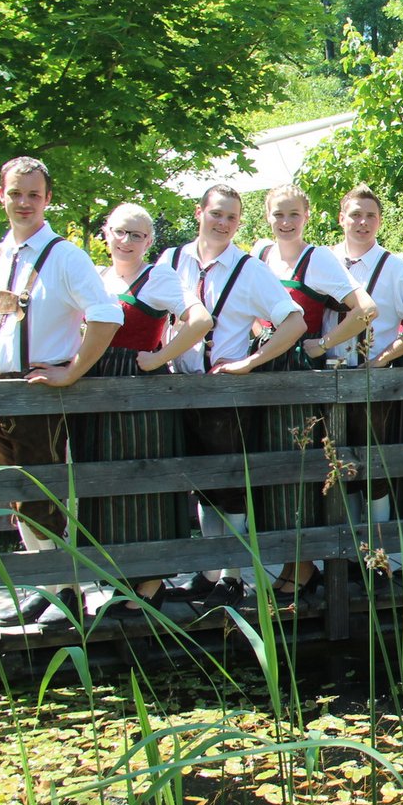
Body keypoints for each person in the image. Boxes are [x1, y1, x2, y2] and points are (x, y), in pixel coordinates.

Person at [0, 156, 123, 627]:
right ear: (1, 195)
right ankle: (48, 588)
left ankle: (66, 590)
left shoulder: (65, 256)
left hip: (38, 392)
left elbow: (107, 315)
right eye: (16, 193)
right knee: (15, 495)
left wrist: (72, 372)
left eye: (34, 194)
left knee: (42, 495)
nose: (24, 202)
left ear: (48, 198)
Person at [162, 184, 306, 610]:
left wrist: (249, 363)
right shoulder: (171, 260)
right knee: (202, 487)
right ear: (199, 213)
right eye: (216, 214)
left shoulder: (248, 269)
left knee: (230, 486)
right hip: (178, 387)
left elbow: (294, 322)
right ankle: (209, 573)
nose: (223, 223)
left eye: (231, 217)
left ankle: (232, 575)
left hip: (225, 391)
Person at [73, 203, 212, 620]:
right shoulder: (98, 278)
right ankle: (122, 582)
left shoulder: (159, 277)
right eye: (120, 231)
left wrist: (158, 357)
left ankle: (150, 587)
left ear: (149, 241)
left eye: (137, 235)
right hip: (97, 389)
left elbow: (200, 320)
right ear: (106, 233)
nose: (127, 241)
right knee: (108, 485)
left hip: (140, 392)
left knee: (145, 484)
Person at [251, 184, 377, 602]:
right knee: (267, 469)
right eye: (278, 214)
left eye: (294, 214)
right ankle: (288, 564)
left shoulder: (317, 258)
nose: (285, 222)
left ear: (307, 216)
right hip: (262, 367)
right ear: (266, 216)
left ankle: (303, 567)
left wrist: (321, 345)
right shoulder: (260, 254)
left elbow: (365, 309)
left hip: (295, 373)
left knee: (295, 465)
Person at [323, 185, 403, 571]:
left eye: (370, 216)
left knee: (373, 470)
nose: (362, 222)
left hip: (371, 380)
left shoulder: (394, 267)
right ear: (341, 218)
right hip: (323, 379)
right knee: (335, 469)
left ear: (380, 221)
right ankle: (346, 557)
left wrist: (382, 358)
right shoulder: (324, 260)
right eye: (355, 214)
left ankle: (381, 556)